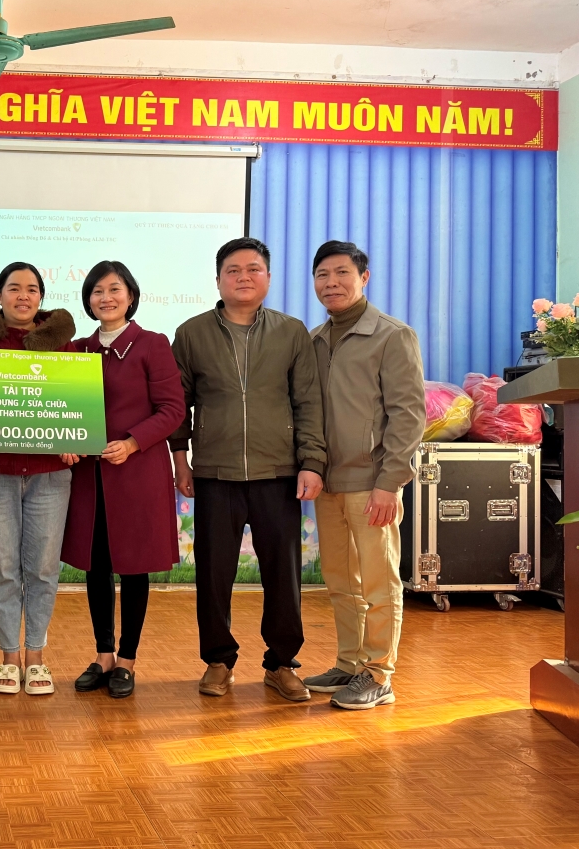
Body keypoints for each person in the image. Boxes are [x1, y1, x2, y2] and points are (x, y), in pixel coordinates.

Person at [170, 237, 327, 702]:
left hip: (278, 473)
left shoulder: (292, 332)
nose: (243, 277)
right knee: (213, 574)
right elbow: (178, 405)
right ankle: (218, 661)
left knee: (284, 574)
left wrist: (311, 463)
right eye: (233, 270)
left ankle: (282, 663)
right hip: (214, 474)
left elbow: (308, 403)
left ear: (268, 278)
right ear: (218, 279)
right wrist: (181, 461)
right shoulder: (192, 333)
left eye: (253, 269)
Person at [304, 240, 425, 710]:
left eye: (342, 273)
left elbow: (408, 415)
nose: (331, 283)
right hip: (328, 483)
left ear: (364, 278)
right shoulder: (315, 340)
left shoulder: (392, 335)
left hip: (373, 484)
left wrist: (389, 482)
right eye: (322, 275)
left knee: (378, 582)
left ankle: (379, 674)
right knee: (340, 581)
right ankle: (349, 662)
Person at [61, 261, 186, 698]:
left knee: (134, 567)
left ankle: (127, 661)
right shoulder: (77, 349)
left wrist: (133, 443)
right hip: (90, 477)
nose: (106, 298)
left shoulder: (153, 344)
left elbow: (173, 409)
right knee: (96, 566)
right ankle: (103, 656)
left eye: (114, 289)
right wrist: (64, 439)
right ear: (88, 300)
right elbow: (59, 405)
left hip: (137, 472)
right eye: (97, 291)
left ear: (130, 296)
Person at [0, 262, 77, 696]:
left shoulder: (64, 347)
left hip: (50, 476)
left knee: (44, 570)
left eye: (31, 289)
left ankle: (37, 656)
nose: (23, 296)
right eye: (14, 288)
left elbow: (77, 407)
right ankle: (10, 658)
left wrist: (76, 439)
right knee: (4, 570)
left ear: (41, 297)